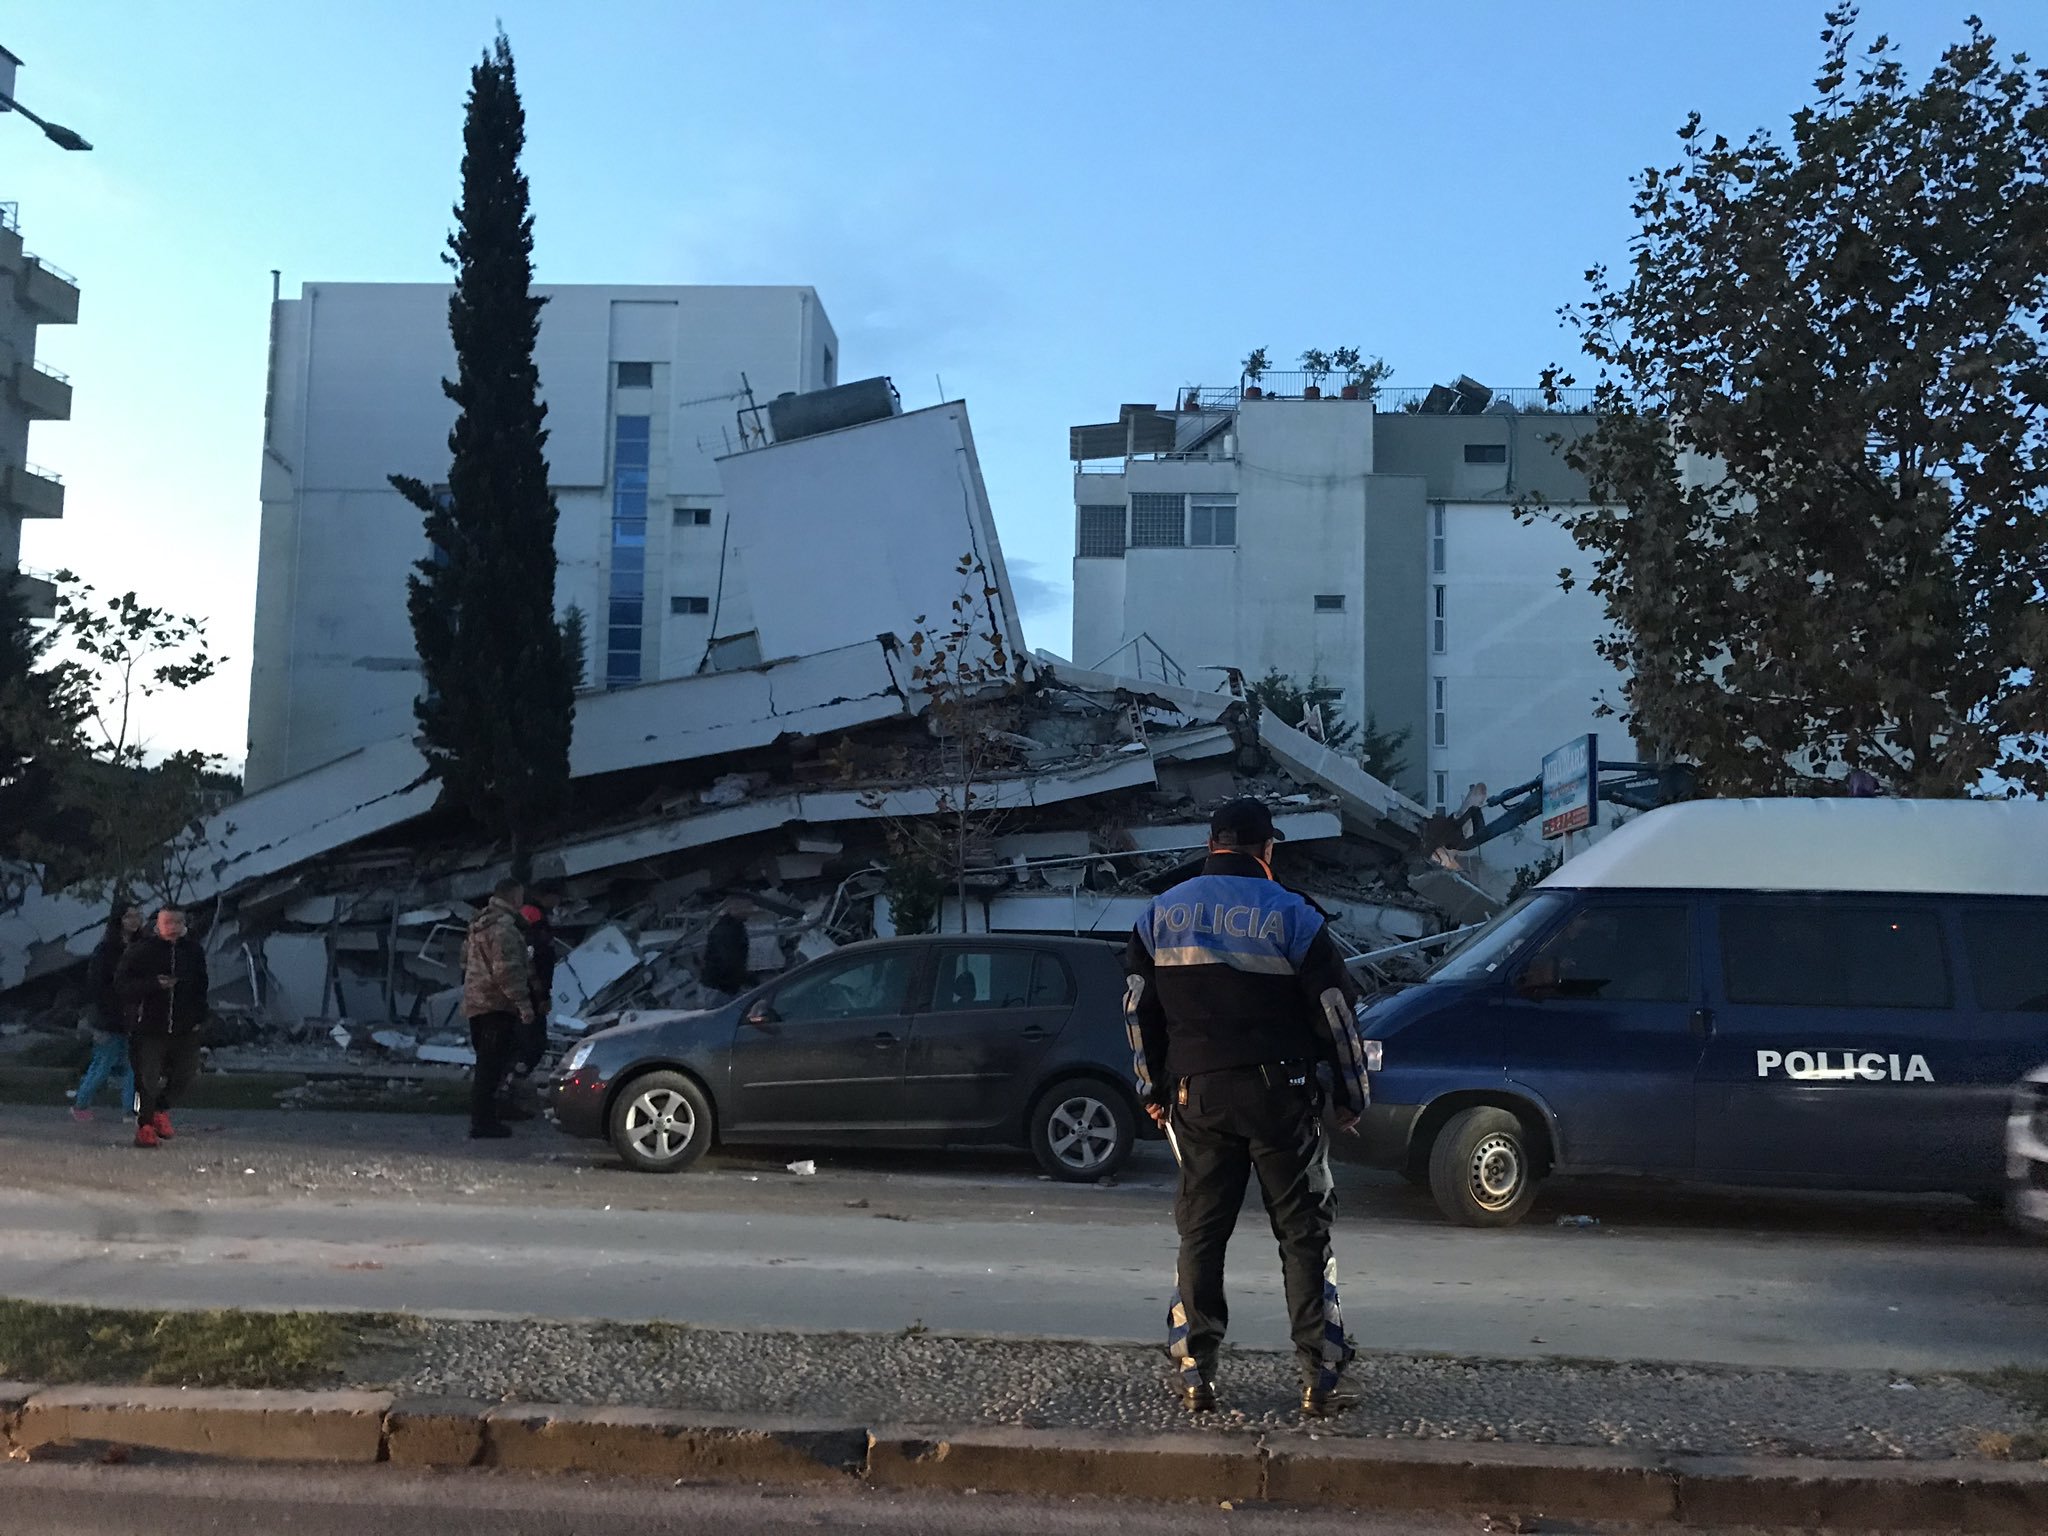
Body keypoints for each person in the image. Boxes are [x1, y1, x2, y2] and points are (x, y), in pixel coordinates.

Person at [1125, 798, 1373, 1419]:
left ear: (1212, 844)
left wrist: (1153, 1090)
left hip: (1198, 1096)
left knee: (1202, 1233)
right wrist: (1350, 1095)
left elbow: (1137, 1010)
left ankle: (1196, 1372)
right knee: (1302, 1233)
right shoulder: (1295, 914)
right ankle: (1318, 1374)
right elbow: (1337, 1015)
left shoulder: (1160, 914)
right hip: (1280, 1097)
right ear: (1268, 850)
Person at [115, 905, 209, 1149]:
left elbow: (201, 986)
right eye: (168, 923)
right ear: (158, 924)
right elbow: (122, 985)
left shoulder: (193, 951)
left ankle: (161, 1109)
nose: (173, 928)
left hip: (184, 1025)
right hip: (149, 1026)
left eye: (178, 922)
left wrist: (199, 1017)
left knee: (186, 1072)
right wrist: (153, 985)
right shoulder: (142, 950)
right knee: (147, 1076)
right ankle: (145, 1125)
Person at [461, 876, 535, 1140]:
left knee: (486, 1063)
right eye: (521, 896)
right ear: (514, 897)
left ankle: (483, 1118)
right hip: (496, 1004)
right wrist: (523, 1005)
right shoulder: (504, 928)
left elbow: (463, 962)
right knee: (491, 1066)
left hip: (476, 1002)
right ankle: (483, 1122)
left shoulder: (478, 923)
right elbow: (508, 971)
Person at [71, 902, 142, 1122]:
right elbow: (96, 986)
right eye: (128, 916)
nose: (134, 921)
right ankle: (81, 1103)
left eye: (136, 916)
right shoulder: (105, 951)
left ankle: (132, 1110)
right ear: (119, 920)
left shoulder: (141, 947)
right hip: (109, 1019)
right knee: (103, 1064)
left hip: (134, 1016)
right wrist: (107, 1012)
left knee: (136, 1066)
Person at [502, 888, 561, 1119]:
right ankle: (505, 1093)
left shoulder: (532, 923)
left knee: (525, 1046)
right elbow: (530, 965)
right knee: (530, 1046)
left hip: (523, 996)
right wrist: (541, 996)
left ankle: (507, 1093)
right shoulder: (531, 923)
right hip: (526, 998)